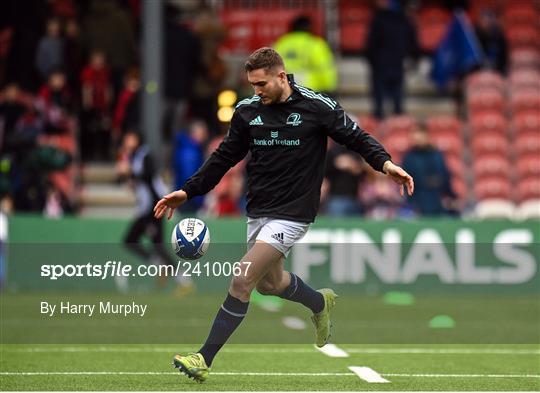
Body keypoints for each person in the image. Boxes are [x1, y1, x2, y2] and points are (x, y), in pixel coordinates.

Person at [154, 47, 414, 382]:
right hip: (259, 209)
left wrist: (386, 163)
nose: (256, 91)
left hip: (294, 212)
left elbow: (357, 138)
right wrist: (188, 191)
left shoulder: (317, 106)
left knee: (242, 278)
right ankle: (319, 303)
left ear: (281, 76)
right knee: (270, 284)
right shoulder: (248, 112)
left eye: (261, 83)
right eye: (252, 84)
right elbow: (223, 158)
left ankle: (203, 358)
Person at [118, 132, 193, 294]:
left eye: (130, 138)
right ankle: (160, 265)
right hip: (144, 208)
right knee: (130, 240)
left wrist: (130, 173)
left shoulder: (145, 155)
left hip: (154, 206)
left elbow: (148, 176)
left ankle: (183, 279)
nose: (127, 141)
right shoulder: (133, 156)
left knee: (157, 245)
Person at [366, 0, 419, 119]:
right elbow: (413, 44)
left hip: (380, 66)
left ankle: (379, 125)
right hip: (397, 64)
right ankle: (397, 129)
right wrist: (414, 59)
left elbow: (371, 45)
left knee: (379, 106)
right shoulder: (405, 20)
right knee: (398, 105)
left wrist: (373, 62)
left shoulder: (378, 20)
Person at [274, 15, 337, 95]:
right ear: (309, 27)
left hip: (284, 90)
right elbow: (324, 68)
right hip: (310, 91)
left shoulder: (281, 44)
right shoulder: (315, 44)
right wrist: (329, 87)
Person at [401, 127, 456, 216]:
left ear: (426, 137)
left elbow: (444, 177)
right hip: (417, 200)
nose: (418, 141)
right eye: (415, 139)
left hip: (437, 199)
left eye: (420, 138)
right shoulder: (409, 157)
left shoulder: (437, 155)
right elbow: (405, 179)